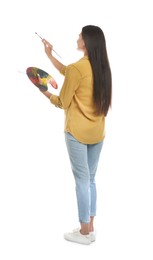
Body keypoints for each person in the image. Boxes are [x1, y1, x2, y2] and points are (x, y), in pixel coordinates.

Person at [39, 25, 112, 245]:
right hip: (97, 132)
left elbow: (62, 102)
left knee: (81, 181)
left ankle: (83, 233)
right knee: (90, 179)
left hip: (77, 133)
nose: (77, 38)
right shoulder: (101, 67)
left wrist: (45, 92)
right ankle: (90, 228)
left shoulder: (77, 69)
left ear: (87, 42)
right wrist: (49, 56)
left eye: (80, 36)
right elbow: (69, 72)